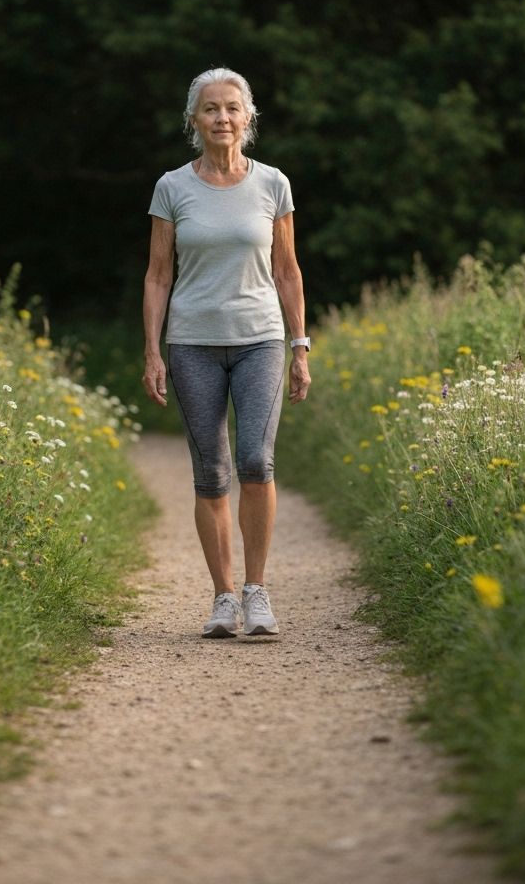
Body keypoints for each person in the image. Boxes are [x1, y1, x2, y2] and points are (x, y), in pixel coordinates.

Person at [142, 67, 311, 638]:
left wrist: (300, 345)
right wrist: (153, 350)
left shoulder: (273, 184)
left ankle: (257, 592)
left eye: (232, 108)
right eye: (210, 109)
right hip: (191, 343)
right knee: (210, 472)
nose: (222, 118)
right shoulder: (172, 188)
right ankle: (222, 598)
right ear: (194, 120)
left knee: (255, 462)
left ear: (248, 117)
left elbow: (287, 271)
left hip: (260, 338)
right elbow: (158, 276)